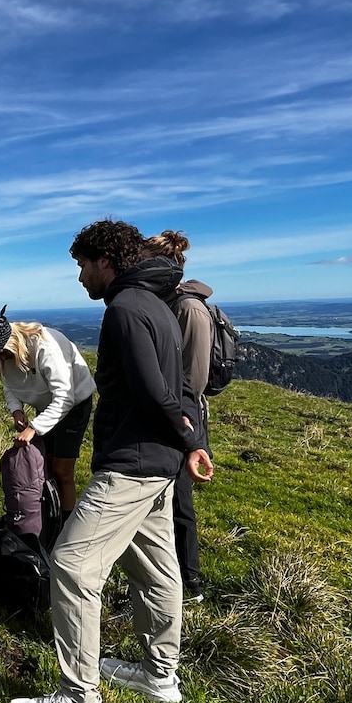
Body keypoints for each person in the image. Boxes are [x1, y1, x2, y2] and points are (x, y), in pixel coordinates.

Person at [9, 217, 213, 703]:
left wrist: (186, 440)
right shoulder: (163, 306)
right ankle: (160, 676)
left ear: (107, 261)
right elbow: (184, 387)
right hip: (162, 464)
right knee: (156, 568)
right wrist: (191, 443)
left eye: (81, 265)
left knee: (73, 565)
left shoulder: (124, 307)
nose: (79, 278)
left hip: (133, 463)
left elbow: (151, 391)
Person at [144, 230, 213, 603]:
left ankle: (190, 583)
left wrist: (181, 419)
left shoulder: (186, 309)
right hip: (170, 413)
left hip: (183, 416)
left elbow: (192, 377)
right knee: (166, 499)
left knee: (180, 502)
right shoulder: (168, 304)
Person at [0, 311, 96, 521]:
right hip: (47, 407)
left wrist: (34, 428)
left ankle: (66, 526)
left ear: (13, 341)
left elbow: (65, 397)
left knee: (62, 470)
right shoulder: (5, 355)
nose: (3, 359)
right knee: (46, 466)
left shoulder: (44, 346)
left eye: (4, 353)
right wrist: (17, 410)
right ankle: (50, 519)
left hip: (74, 404)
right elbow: (9, 386)